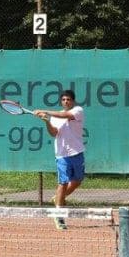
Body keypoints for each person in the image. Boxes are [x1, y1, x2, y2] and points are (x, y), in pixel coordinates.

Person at [35, 90, 85, 229]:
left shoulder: (78, 110)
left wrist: (46, 112)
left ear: (73, 101)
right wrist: (47, 122)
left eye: (68, 99)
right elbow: (54, 133)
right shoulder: (55, 117)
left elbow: (65, 115)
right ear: (61, 101)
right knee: (63, 183)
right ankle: (59, 215)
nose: (66, 102)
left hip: (77, 152)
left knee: (77, 181)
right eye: (63, 99)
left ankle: (58, 198)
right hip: (62, 155)